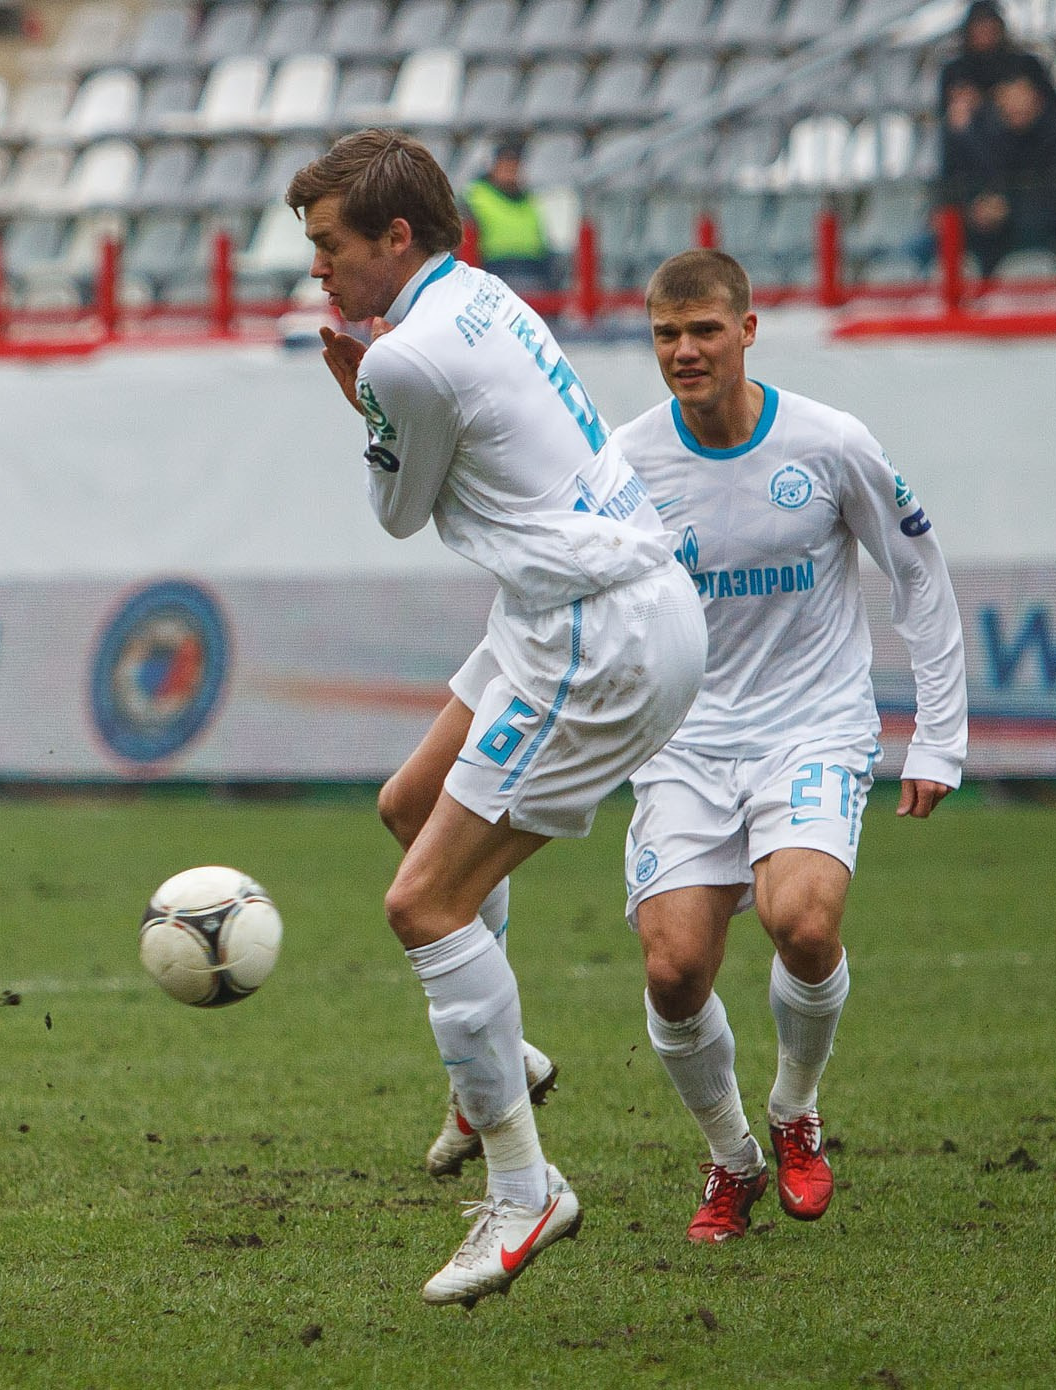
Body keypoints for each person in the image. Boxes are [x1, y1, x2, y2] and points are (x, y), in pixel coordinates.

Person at [287, 129, 708, 1308]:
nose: (317, 269)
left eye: (328, 246)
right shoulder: (478, 294)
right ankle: (501, 1061)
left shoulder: (403, 360)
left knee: (421, 903)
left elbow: (396, 512)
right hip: (575, 600)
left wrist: (358, 401)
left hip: (596, 628)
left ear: (395, 237)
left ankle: (525, 1190)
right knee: (409, 805)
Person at [614, 250, 967, 1244]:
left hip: (809, 724)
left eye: (702, 331)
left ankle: (795, 1109)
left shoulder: (829, 442)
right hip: (683, 740)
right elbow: (592, 601)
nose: (683, 352)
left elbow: (917, 573)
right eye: (664, 335)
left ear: (746, 329)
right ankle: (731, 1159)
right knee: (674, 969)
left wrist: (938, 735)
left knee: (801, 922)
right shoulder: (624, 462)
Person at [957, 74, 1056, 276]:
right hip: (996, 238)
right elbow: (966, 185)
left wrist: (1009, 209)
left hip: (1052, 235)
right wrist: (978, 209)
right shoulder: (987, 138)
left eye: (1020, 96)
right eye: (1007, 98)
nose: (1015, 105)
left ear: (1036, 98)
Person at [459, 136, 554, 293]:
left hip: (532, 274)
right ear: (494, 166)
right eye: (506, 165)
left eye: (515, 165)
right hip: (492, 274)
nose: (511, 171)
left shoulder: (530, 200)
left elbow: (541, 243)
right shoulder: (474, 196)